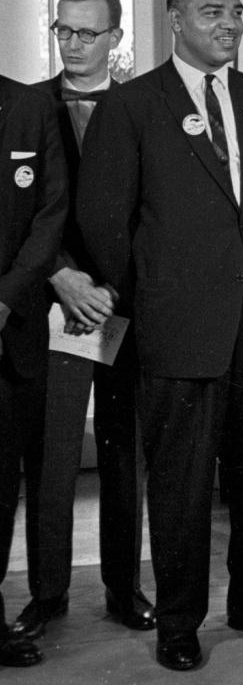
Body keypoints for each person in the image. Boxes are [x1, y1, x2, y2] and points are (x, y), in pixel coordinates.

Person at [76, 0, 243, 672]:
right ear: (175, 18)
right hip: (178, 326)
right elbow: (102, 220)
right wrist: (152, 299)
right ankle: (179, 620)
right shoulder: (133, 105)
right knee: (179, 486)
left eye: (237, 12)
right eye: (213, 12)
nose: (231, 25)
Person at [13, 0, 153, 643]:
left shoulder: (141, 107)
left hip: (125, 307)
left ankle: (127, 590)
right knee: (52, 455)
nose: (72, 43)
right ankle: (47, 593)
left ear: (115, 39)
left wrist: (115, 290)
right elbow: (24, 215)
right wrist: (63, 275)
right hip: (52, 305)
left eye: (87, 33)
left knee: (125, 455)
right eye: (62, 31)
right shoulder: (25, 105)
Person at [0, 74, 68, 669]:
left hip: (10, 329)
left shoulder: (27, 107)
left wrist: (7, 296)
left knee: (0, 490)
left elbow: (50, 215)